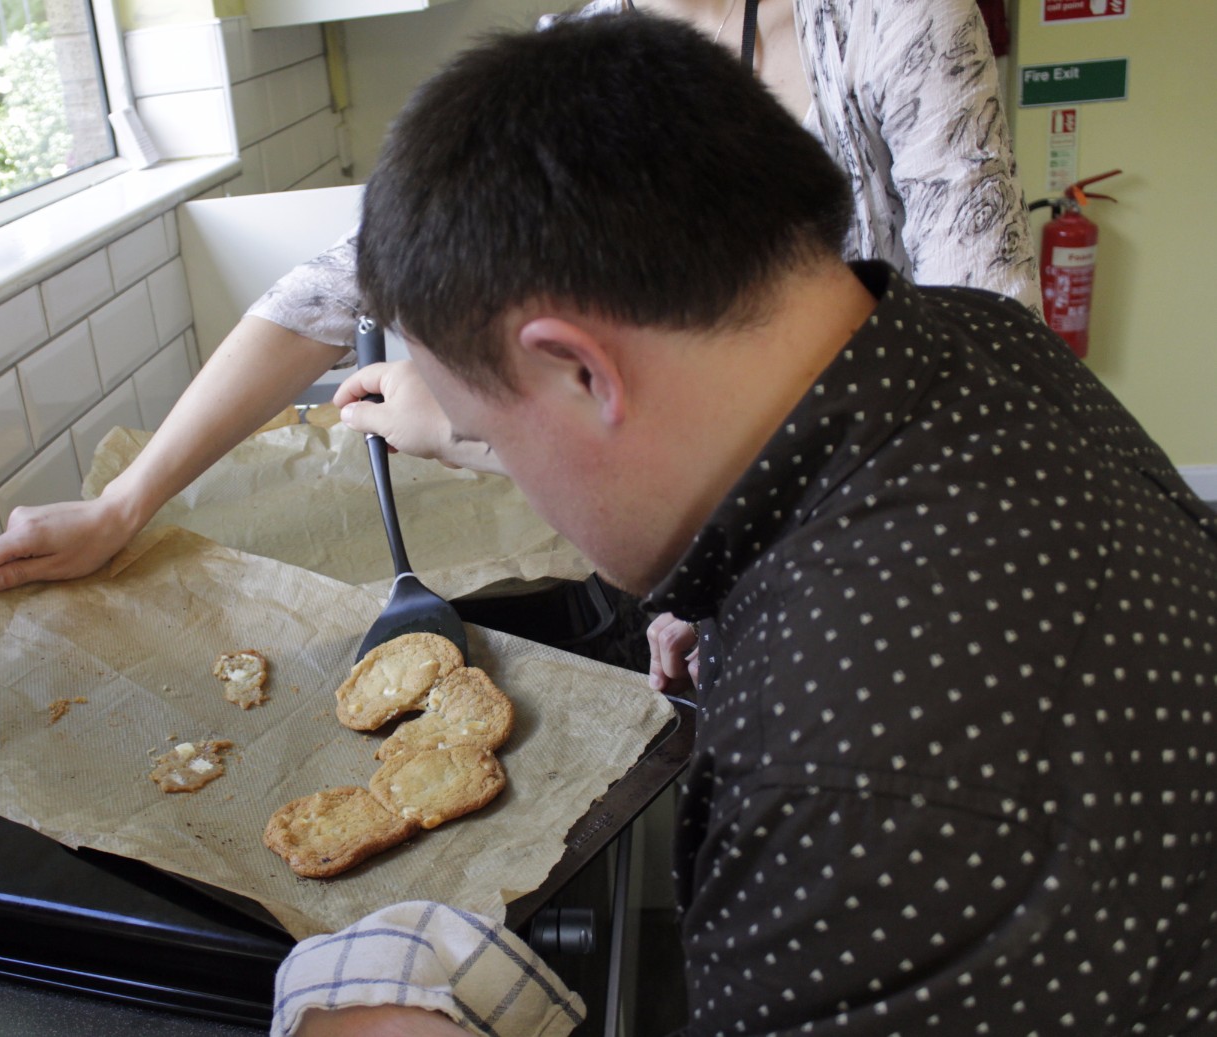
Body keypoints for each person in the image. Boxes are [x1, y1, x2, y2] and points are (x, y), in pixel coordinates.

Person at [270, 13, 1217, 1037]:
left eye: (485, 432)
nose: (514, 476)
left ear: (582, 368)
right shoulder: (982, 346)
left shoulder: (844, 777)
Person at [0, 0, 1037, 598]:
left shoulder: (892, 20)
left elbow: (982, 347)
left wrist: (467, 427)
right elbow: (340, 279)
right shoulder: (583, 51)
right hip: (704, 541)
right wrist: (124, 502)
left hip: (885, 537)